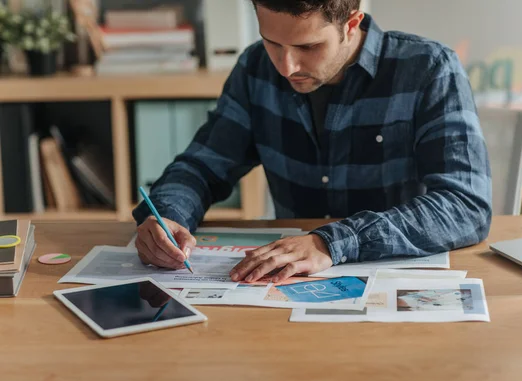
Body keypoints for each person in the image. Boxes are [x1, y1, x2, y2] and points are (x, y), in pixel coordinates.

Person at [132, 0, 492, 284]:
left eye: (308, 46)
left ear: (351, 25)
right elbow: (201, 166)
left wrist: (331, 242)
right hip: (285, 290)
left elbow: (465, 206)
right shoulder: (255, 68)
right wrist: (167, 215)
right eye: (272, 42)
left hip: (396, 285)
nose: (286, 66)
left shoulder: (429, 68)